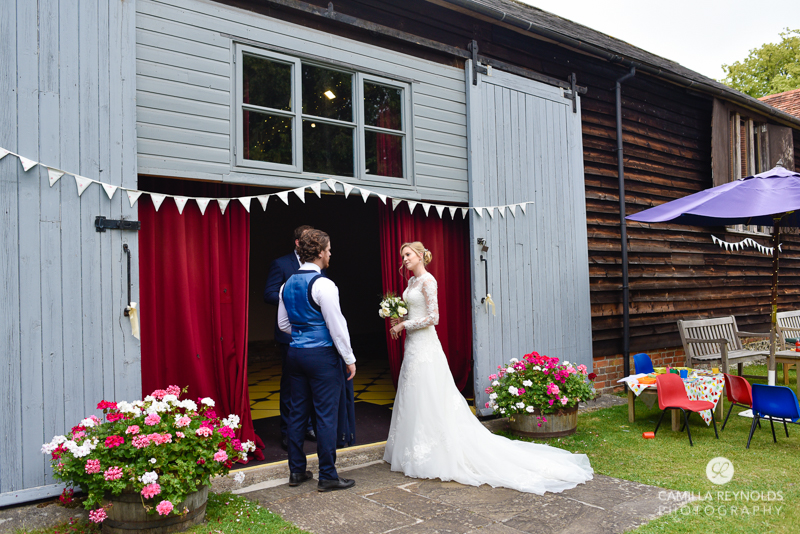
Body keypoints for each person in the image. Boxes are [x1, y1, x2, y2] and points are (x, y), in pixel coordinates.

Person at [384, 241, 593, 494]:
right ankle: (413, 450)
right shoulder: (410, 284)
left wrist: (404, 326)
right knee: (414, 394)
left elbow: (434, 318)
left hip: (426, 346)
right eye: (402, 255)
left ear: (419, 255)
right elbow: (416, 313)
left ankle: (437, 450)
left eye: (407, 254)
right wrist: (400, 318)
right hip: (413, 346)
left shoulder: (429, 281)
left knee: (431, 393)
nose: (404, 259)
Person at [278, 230, 357, 492]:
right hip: (322, 356)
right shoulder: (324, 284)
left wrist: (303, 331)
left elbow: (283, 324)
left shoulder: (286, 284)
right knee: (325, 416)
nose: (331, 253)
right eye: (329, 249)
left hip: (295, 355)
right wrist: (349, 358)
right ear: (320, 252)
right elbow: (337, 327)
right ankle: (328, 475)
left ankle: (297, 472)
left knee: (297, 413)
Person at [264, 225, 317, 450]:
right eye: (308, 239)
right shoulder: (281, 263)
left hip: (314, 334)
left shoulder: (317, 264)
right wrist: (293, 301)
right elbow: (268, 294)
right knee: (290, 386)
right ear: (297, 242)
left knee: (310, 384)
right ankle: (287, 431)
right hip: (290, 333)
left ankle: (307, 426)